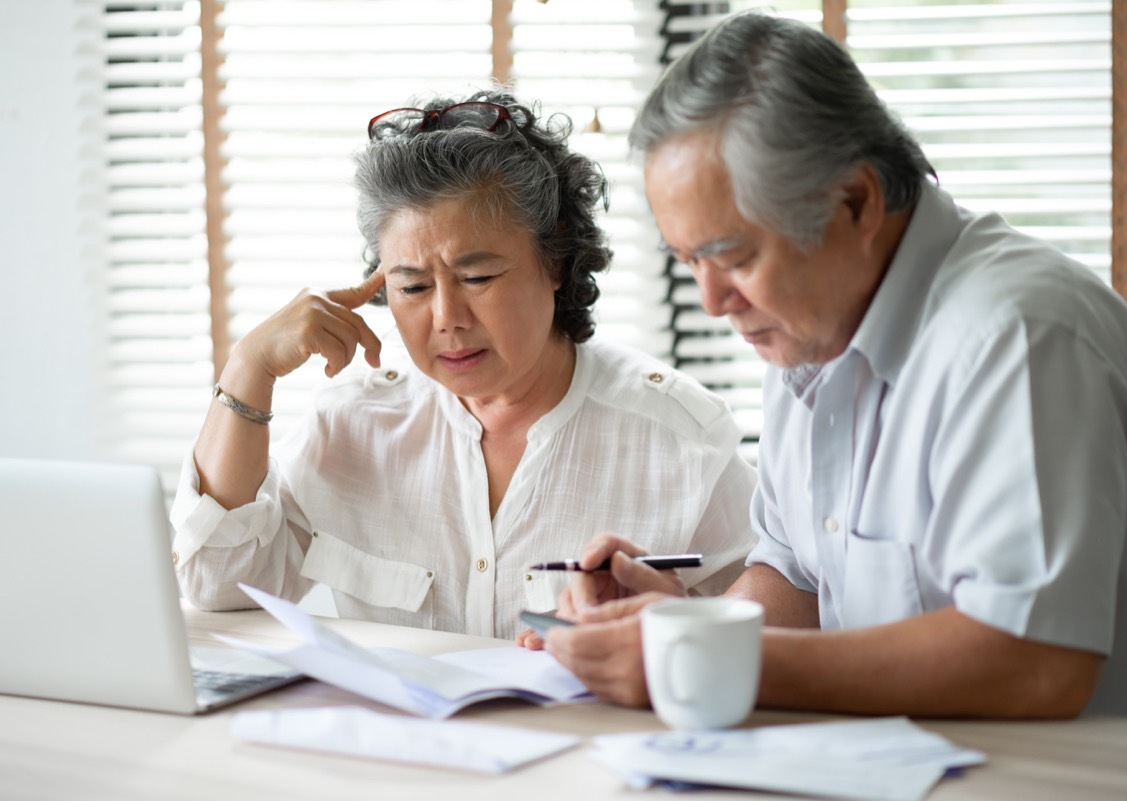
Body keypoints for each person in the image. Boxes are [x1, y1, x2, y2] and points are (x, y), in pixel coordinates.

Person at [529, 13, 1127, 722]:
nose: (714, 301)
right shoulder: (810, 329)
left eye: (734, 257)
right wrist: (685, 628)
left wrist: (707, 660)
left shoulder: (1020, 337)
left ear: (855, 201)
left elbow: (1036, 662)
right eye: (690, 261)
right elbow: (800, 582)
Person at [169, 89, 757, 640]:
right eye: (413, 287)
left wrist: (671, 628)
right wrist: (247, 371)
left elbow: (776, 627)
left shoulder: (683, 441)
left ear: (555, 263)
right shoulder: (350, 427)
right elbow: (217, 587)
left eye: (477, 278)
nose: (447, 317)